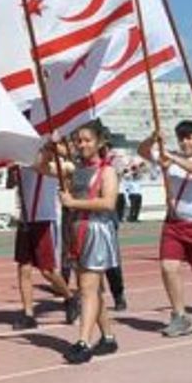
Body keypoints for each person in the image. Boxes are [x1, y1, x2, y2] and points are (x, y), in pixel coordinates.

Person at [139, 120, 192, 338]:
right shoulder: (170, 156)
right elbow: (142, 151)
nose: (184, 142)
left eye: (189, 138)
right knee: (168, 267)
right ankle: (180, 315)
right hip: (174, 223)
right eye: (181, 138)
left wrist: (173, 157)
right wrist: (152, 138)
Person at [58, 120, 121, 363]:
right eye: (78, 140)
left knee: (86, 288)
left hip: (96, 230)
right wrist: (47, 144)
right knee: (91, 289)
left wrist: (73, 203)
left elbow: (108, 203)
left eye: (87, 140)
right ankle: (108, 337)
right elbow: (42, 166)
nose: (82, 144)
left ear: (99, 142)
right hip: (77, 231)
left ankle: (83, 342)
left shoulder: (107, 171)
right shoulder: (75, 169)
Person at [8, 153, 76, 330]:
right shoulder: (22, 161)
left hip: (44, 220)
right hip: (25, 219)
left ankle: (70, 298)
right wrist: (11, 170)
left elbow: (45, 166)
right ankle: (28, 314)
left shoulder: (59, 164)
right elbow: (10, 185)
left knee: (48, 271)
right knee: (24, 268)